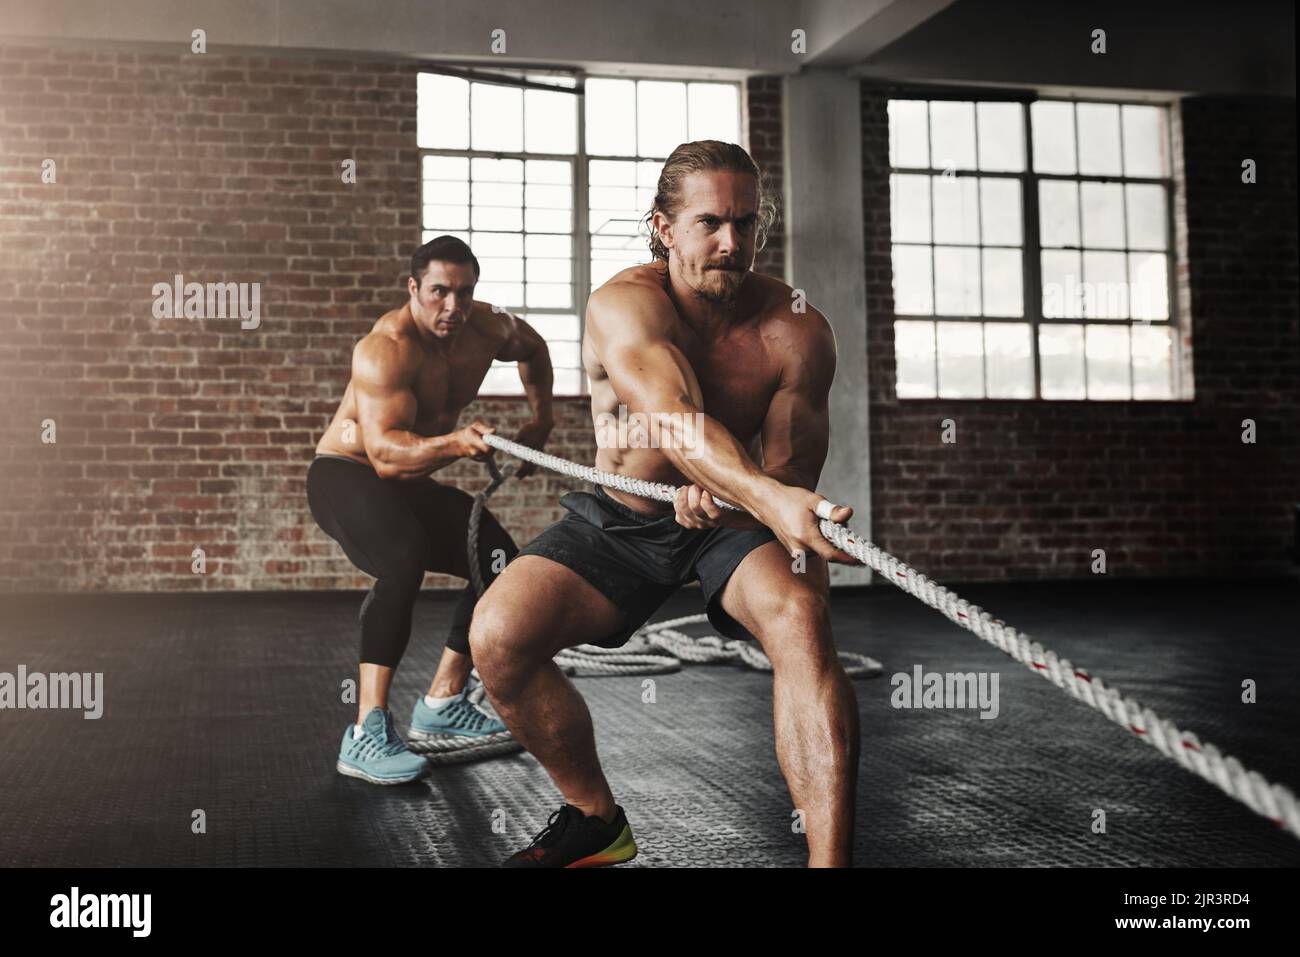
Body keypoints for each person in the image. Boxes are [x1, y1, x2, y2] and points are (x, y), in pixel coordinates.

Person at [468, 141, 862, 866]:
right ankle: (595, 819)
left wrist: (741, 498)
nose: (731, 242)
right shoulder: (624, 304)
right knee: (496, 634)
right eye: (710, 221)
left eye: (746, 224)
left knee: (803, 616)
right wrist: (720, 479)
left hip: (730, 525)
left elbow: (787, 469)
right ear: (664, 226)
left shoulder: (797, 330)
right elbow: (674, 415)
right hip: (624, 517)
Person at [307, 235, 554, 785]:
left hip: (409, 479)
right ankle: (366, 730)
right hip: (347, 475)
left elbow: (535, 351)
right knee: (403, 556)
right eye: (439, 292)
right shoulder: (385, 348)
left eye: (464, 293)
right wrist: (456, 443)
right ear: (413, 288)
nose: (453, 308)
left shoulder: (489, 328)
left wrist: (542, 419)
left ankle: (443, 702)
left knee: (498, 561)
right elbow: (386, 457)